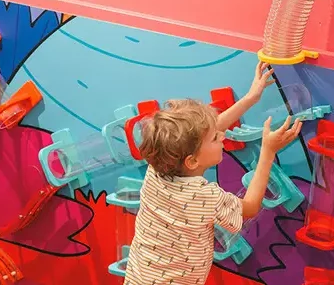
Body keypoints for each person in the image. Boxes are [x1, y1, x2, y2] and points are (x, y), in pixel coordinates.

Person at [123, 62, 304, 285]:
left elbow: (206, 131)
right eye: (215, 139)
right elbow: (250, 207)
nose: (222, 135)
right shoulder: (204, 196)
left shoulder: (159, 165)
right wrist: (268, 151)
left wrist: (250, 98)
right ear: (192, 161)